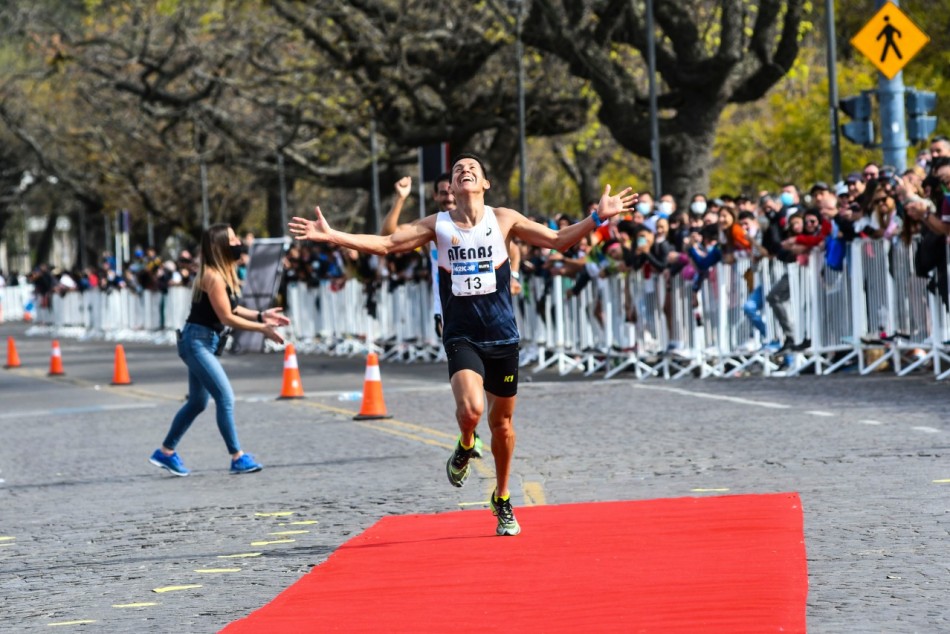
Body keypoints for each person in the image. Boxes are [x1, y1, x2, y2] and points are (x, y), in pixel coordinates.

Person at [289, 153, 636, 536]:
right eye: (458, 170)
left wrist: (598, 218)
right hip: (461, 334)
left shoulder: (503, 219)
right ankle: (466, 442)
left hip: (503, 335)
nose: (465, 171)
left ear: (485, 183)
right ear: (451, 189)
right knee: (471, 410)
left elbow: (556, 241)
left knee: (502, 424)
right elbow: (388, 242)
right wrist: (333, 234)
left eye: (472, 169)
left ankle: (501, 498)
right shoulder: (438, 226)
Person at [149, 224, 290, 477]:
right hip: (197, 343)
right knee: (225, 397)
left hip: (204, 342)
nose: (238, 243)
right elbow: (227, 317)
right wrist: (262, 328)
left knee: (197, 402)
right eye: (233, 238)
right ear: (220, 246)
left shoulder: (220, 274)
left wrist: (260, 314)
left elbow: (233, 308)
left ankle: (166, 452)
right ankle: (237, 457)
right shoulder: (212, 276)